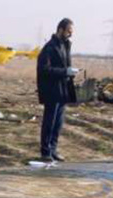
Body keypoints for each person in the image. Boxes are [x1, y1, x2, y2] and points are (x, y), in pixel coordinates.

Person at [37, 18, 78, 162]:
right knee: (49, 122)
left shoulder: (65, 45)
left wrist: (70, 73)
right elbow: (44, 70)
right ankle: (45, 152)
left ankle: (53, 149)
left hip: (62, 91)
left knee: (58, 124)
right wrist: (65, 71)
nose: (70, 35)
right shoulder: (50, 47)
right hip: (52, 91)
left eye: (71, 32)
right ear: (60, 29)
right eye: (68, 31)